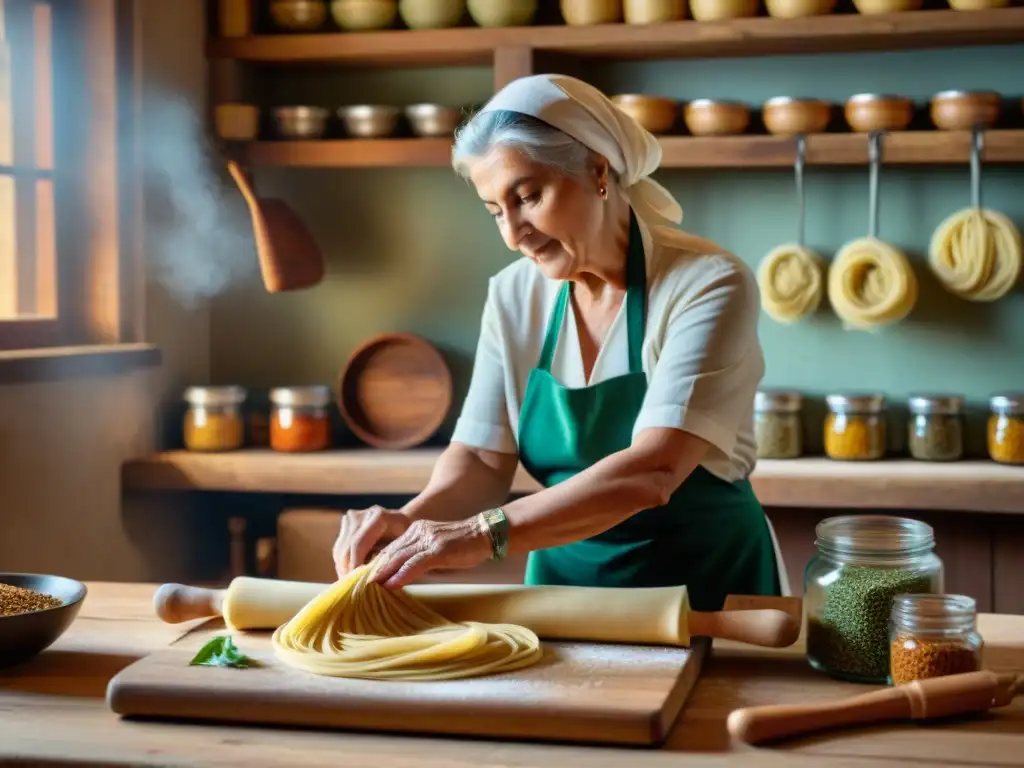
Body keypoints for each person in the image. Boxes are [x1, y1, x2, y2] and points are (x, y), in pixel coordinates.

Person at [332, 73, 789, 611]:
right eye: (495, 211)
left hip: (706, 592)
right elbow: (482, 457)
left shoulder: (707, 283)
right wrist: (412, 521)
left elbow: (653, 471)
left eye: (527, 197)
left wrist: (482, 534)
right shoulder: (512, 294)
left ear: (598, 171)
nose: (512, 233)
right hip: (562, 597)